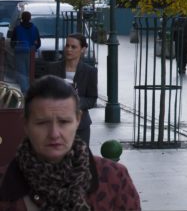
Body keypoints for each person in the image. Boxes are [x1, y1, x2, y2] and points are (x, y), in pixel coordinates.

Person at [0, 75, 141, 210]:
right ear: (26, 124)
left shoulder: (113, 178)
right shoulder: (4, 184)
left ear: (78, 120)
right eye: (42, 123)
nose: (54, 134)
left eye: (64, 122)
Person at [43, 33, 98, 146]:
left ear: (83, 49)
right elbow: (43, 93)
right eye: (67, 46)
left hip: (80, 125)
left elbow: (92, 99)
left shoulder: (90, 71)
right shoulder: (52, 68)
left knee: (80, 158)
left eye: (73, 47)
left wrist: (76, 102)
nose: (69, 49)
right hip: (55, 124)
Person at [7, 12, 41, 94]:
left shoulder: (17, 28)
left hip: (19, 52)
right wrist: (33, 48)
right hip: (31, 53)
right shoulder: (34, 28)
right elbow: (38, 43)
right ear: (30, 18)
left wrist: (15, 46)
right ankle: (31, 90)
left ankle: (25, 92)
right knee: (30, 72)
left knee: (22, 73)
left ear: (21, 18)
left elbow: (12, 43)